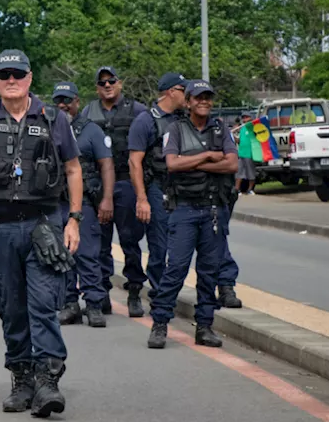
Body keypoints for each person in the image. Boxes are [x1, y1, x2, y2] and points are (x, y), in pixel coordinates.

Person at [0, 50, 82, 418]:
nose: (11, 80)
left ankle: (47, 380)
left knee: (44, 304)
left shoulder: (53, 119)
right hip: (1, 228)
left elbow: (74, 170)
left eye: (18, 74)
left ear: (29, 78)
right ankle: (22, 378)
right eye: (4, 74)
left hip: (45, 224)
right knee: (11, 307)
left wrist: (74, 219)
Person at [146, 80, 238, 349]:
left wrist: (196, 162)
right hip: (184, 209)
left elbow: (232, 164)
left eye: (208, 98)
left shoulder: (221, 129)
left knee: (209, 271)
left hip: (213, 209)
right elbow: (173, 164)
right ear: (188, 102)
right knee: (175, 269)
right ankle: (160, 323)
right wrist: (209, 155)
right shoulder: (175, 129)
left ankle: (205, 326)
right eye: (198, 98)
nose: (204, 102)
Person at [81, 66, 150, 316]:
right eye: (102, 83)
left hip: (126, 182)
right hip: (98, 184)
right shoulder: (89, 112)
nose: (107, 86)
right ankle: (102, 292)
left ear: (120, 84)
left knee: (130, 241)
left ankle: (134, 292)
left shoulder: (137, 111)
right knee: (99, 243)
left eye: (112, 81)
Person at [50, 82, 114, 328]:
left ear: (77, 102)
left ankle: (95, 304)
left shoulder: (91, 130)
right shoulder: (49, 128)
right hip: (56, 202)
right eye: (58, 101)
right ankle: (69, 304)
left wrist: (107, 199)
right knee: (61, 256)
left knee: (87, 254)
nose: (62, 105)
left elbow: (106, 165)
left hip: (85, 202)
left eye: (67, 100)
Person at [124, 72, 186, 316]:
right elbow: (134, 162)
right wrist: (141, 199)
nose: (187, 95)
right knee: (159, 246)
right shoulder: (146, 121)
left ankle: (168, 293)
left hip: (184, 190)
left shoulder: (185, 118)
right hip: (157, 188)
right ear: (171, 91)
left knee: (181, 246)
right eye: (183, 89)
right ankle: (159, 297)